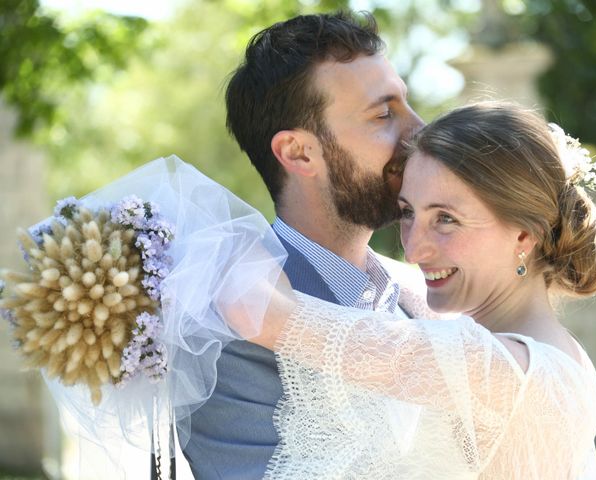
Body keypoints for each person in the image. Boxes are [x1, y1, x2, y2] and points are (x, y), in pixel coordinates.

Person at [223, 102, 596, 478]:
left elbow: (258, 313)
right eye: (408, 213)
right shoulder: (560, 356)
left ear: (524, 234)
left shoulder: (493, 367)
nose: (413, 249)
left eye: (445, 219)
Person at [181, 10, 425, 479]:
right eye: (384, 114)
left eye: (407, 106)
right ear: (298, 153)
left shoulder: (416, 296)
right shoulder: (232, 332)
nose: (420, 130)